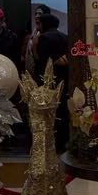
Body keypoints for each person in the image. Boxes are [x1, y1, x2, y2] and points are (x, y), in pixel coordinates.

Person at [33, 12, 70, 150]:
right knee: (62, 109)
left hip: (49, 80)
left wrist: (34, 47)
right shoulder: (65, 37)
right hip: (63, 78)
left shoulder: (43, 38)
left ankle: (50, 144)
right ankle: (63, 142)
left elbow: (41, 60)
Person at [22, 3, 51, 78]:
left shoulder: (49, 34)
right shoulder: (34, 33)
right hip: (32, 72)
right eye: (36, 14)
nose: (36, 16)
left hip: (45, 73)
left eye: (40, 14)